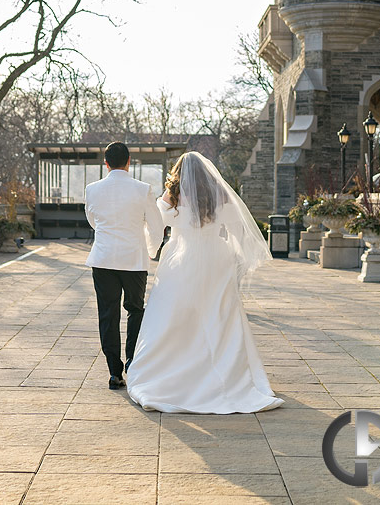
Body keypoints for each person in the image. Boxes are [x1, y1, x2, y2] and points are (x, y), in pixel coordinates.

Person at [126, 151, 283, 414]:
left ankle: (175, 370)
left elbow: (156, 227)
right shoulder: (219, 195)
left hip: (181, 258)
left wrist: (150, 250)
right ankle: (225, 373)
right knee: (220, 315)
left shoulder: (171, 196)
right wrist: (236, 261)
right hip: (216, 258)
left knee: (173, 315)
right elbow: (238, 230)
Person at [83, 142, 166, 390]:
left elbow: (93, 220)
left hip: (103, 258)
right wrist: (151, 251)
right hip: (134, 259)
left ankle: (113, 371)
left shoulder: (92, 189)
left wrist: (108, 235)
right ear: (129, 161)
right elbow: (157, 226)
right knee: (135, 310)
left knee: (108, 314)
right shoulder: (143, 189)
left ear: (105, 163)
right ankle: (133, 362)